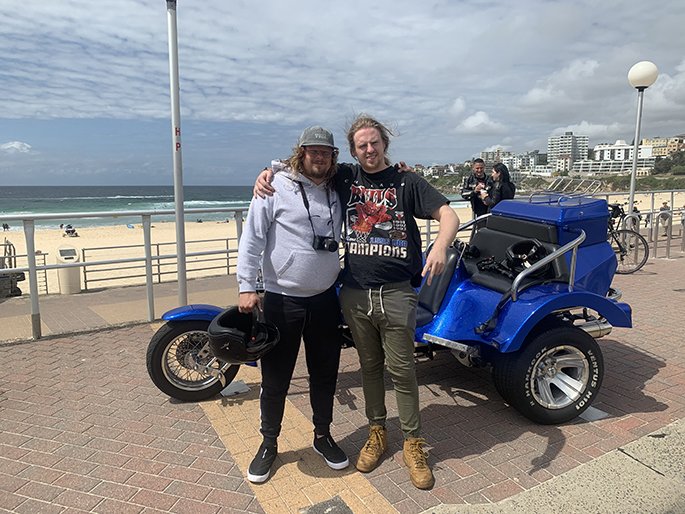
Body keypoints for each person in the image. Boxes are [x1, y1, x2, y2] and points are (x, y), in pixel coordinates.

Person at [255, 114, 460, 489]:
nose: (369, 149)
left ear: (385, 144)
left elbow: (448, 213)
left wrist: (441, 247)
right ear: (351, 152)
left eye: (374, 143)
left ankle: (414, 445)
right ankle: (377, 433)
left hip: (397, 292)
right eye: (361, 145)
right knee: (369, 369)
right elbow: (303, 164)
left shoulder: (406, 180)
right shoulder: (345, 177)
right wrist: (266, 173)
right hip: (353, 293)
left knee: (402, 372)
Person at [237, 126, 349, 483]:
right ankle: (269, 444)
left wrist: (403, 171)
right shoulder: (274, 185)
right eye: (312, 151)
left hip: (325, 299)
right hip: (282, 299)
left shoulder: (338, 188)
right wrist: (246, 285)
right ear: (301, 153)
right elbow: (252, 237)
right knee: (276, 378)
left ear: (333, 157)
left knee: (325, 374)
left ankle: (322, 436)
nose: (319, 157)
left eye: (325, 152)